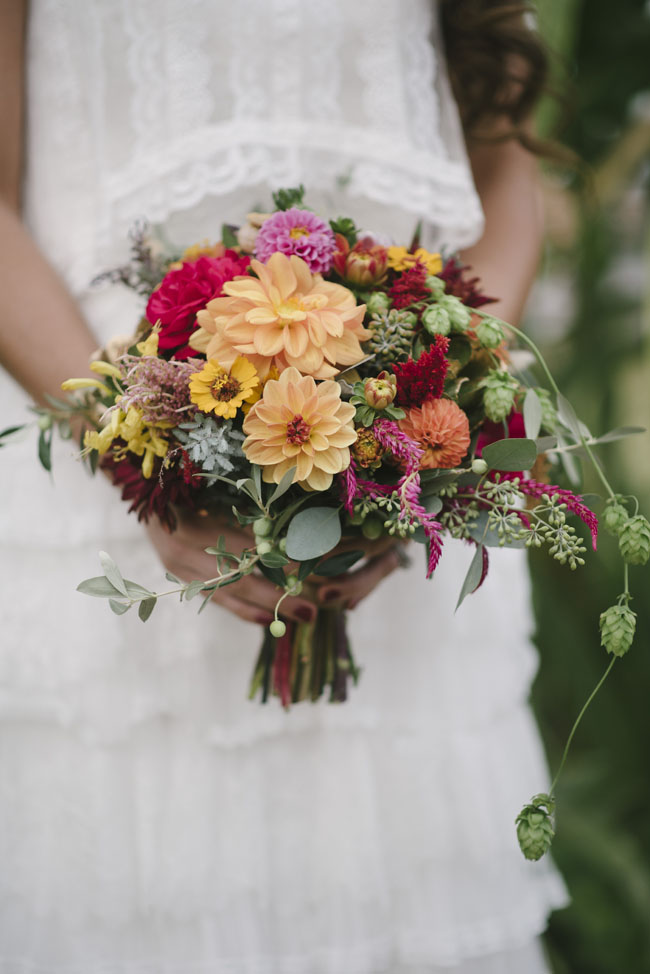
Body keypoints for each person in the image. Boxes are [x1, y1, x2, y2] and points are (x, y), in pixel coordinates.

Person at [0, 1, 568, 971]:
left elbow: (506, 174)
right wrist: (136, 452)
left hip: (402, 511)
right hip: (103, 457)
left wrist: (440, 424)